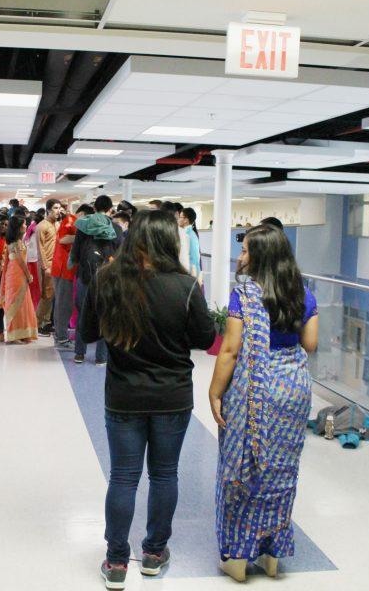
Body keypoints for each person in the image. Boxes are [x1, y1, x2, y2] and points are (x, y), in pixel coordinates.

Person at [78, 210, 215, 589]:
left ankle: (117, 561)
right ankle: (154, 554)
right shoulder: (185, 286)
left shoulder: (107, 279)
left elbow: (88, 332)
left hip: (123, 396)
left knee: (123, 477)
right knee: (164, 474)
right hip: (173, 397)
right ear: (169, 240)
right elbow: (205, 339)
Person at [208, 224, 318, 582]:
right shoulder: (304, 292)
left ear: (261, 256)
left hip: (253, 390)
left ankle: (237, 557)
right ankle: (272, 554)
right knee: (282, 470)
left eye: (246, 251)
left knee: (244, 468)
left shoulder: (245, 295)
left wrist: (213, 392)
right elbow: (311, 343)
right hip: (294, 388)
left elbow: (230, 349)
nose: (240, 257)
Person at [71, 195, 121, 365]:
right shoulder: (116, 228)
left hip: (85, 276)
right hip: (107, 277)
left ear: (94, 208)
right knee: (105, 315)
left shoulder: (83, 226)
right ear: (110, 209)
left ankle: (79, 353)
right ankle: (101, 357)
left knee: (82, 314)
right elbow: (120, 256)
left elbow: (76, 252)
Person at [53, 204, 90, 350]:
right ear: (81, 213)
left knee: (62, 303)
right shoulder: (71, 219)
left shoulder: (74, 221)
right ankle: (62, 338)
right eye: (86, 217)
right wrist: (82, 236)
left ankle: (60, 335)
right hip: (64, 269)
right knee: (64, 304)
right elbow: (63, 239)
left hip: (67, 269)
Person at [0, 215, 38, 344]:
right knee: (16, 304)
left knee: (21, 304)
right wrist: (28, 275)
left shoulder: (14, 242)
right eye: (24, 224)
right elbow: (21, 261)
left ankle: (22, 334)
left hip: (15, 275)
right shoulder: (16, 243)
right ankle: (13, 335)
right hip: (17, 276)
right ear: (18, 227)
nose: (26, 226)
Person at [36, 199, 62, 336]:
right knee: (46, 295)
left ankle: (46, 323)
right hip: (46, 264)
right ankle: (37, 324)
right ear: (48, 210)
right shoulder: (42, 226)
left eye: (59, 208)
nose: (59, 211)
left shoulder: (56, 225)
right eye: (56, 208)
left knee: (51, 295)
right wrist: (45, 267)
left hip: (56, 264)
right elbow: (40, 248)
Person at [24, 218, 41, 309]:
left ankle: (32, 306)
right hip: (34, 261)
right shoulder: (36, 232)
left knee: (32, 287)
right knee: (35, 287)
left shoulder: (28, 232)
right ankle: (34, 306)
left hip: (30, 261)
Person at [179, 207, 201, 281]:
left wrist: (193, 276)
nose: (178, 219)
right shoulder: (185, 233)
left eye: (180, 217)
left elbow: (194, 258)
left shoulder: (189, 235)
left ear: (186, 220)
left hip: (190, 275)